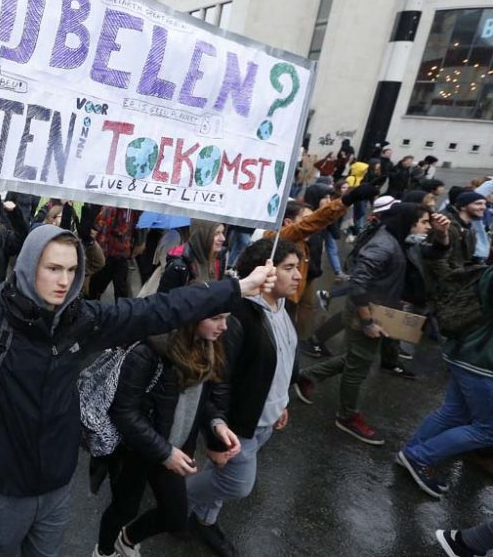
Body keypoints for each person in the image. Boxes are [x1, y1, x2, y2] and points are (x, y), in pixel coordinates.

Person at [0, 216, 276, 557]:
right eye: (52, 269)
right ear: (27, 268)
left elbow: (160, 309)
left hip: (58, 484)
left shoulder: (84, 321)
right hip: (2, 489)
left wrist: (235, 289)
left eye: (71, 270)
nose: (63, 281)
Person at [186, 238, 302, 557]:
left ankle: (204, 521)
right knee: (237, 483)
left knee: (222, 478)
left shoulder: (282, 305)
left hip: (266, 419)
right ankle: (175, 499)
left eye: (298, 268)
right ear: (265, 271)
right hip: (239, 424)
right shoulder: (241, 316)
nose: (298, 276)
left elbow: (286, 356)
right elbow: (219, 379)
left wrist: (283, 402)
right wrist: (216, 435)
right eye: (289, 268)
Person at [93, 311, 240, 557]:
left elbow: (201, 400)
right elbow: (124, 411)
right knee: (124, 509)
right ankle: (105, 552)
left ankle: (126, 540)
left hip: (172, 450)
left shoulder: (207, 346)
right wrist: (165, 452)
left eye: (225, 318)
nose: (224, 326)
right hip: (136, 449)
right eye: (216, 318)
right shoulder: (149, 351)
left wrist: (217, 424)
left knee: (175, 514)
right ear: (194, 316)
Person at [296, 203, 433, 445]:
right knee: (358, 366)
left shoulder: (399, 240)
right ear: (409, 222)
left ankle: (306, 376)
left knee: (358, 358)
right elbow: (359, 284)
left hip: (380, 310)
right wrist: (368, 321)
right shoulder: (383, 245)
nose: (427, 226)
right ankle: (347, 416)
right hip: (366, 314)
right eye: (423, 221)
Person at [397, 225, 493, 499]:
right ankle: (420, 456)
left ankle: (411, 453)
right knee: (488, 430)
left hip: (467, 355)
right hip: (481, 362)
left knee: (454, 412)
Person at [88, 206, 142, 300]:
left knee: (121, 288)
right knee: (97, 285)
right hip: (107, 253)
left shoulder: (133, 212)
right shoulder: (111, 208)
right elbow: (98, 227)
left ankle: (121, 310)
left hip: (122, 255)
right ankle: (91, 305)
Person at [158, 220, 226, 292]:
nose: (223, 238)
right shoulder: (179, 265)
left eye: (222, 232)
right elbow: (165, 299)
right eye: (216, 234)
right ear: (202, 235)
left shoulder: (219, 257)